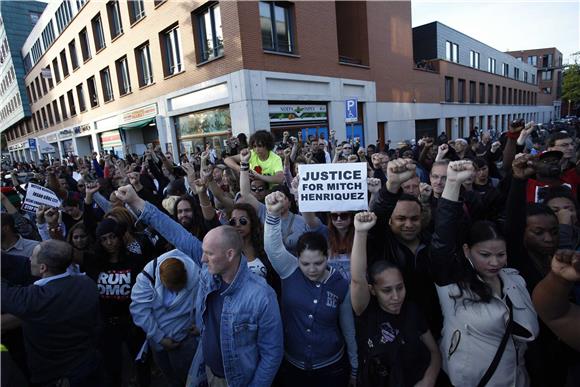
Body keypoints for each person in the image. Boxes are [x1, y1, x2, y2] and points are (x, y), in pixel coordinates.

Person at [114, 184, 284, 387]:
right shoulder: (209, 271)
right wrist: (136, 201)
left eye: (209, 254)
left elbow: (272, 353)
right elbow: (175, 232)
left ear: (230, 254)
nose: (201, 258)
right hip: (205, 370)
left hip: (237, 380)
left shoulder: (261, 296)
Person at [430, 160, 539, 386]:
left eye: (501, 254)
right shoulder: (453, 286)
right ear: (467, 251)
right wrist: (451, 182)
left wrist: (519, 181)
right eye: (485, 255)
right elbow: (442, 237)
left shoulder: (514, 280)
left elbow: (516, 227)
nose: (494, 262)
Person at [264, 191, 357, 387]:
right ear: (297, 258)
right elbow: (273, 249)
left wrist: (355, 366)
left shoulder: (340, 283)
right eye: (305, 264)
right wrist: (272, 215)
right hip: (293, 366)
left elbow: (348, 328)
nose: (312, 269)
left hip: (332, 367)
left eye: (319, 263)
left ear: (327, 257)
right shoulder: (289, 270)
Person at [350, 211, 441, 387]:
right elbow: (357, 279)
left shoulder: (413, 310)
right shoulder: (366, 312)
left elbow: (434, 352)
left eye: (400, 287)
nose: (396, 296)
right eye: (386, 290)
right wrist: (360, 233)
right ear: (373, 290)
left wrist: (429, 379)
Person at [1, 240, 102, 387]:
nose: (29, 259)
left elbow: (4, 294)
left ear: (42, 268)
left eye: (33, 257)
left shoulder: (36, 299)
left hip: (55, 378)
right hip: (87, 367)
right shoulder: (87, 284)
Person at [130, 249, 200, 387]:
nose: (174, 292)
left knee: (192, 381)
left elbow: (206, 302)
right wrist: (159, 337)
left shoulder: (198, 274)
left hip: (186, 341)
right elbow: (139, 309)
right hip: (158, 343)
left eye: (179, 288)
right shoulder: (148, 276)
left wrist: (200, 326)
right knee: (171, 379)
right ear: (161, 279)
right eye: (171, 289)